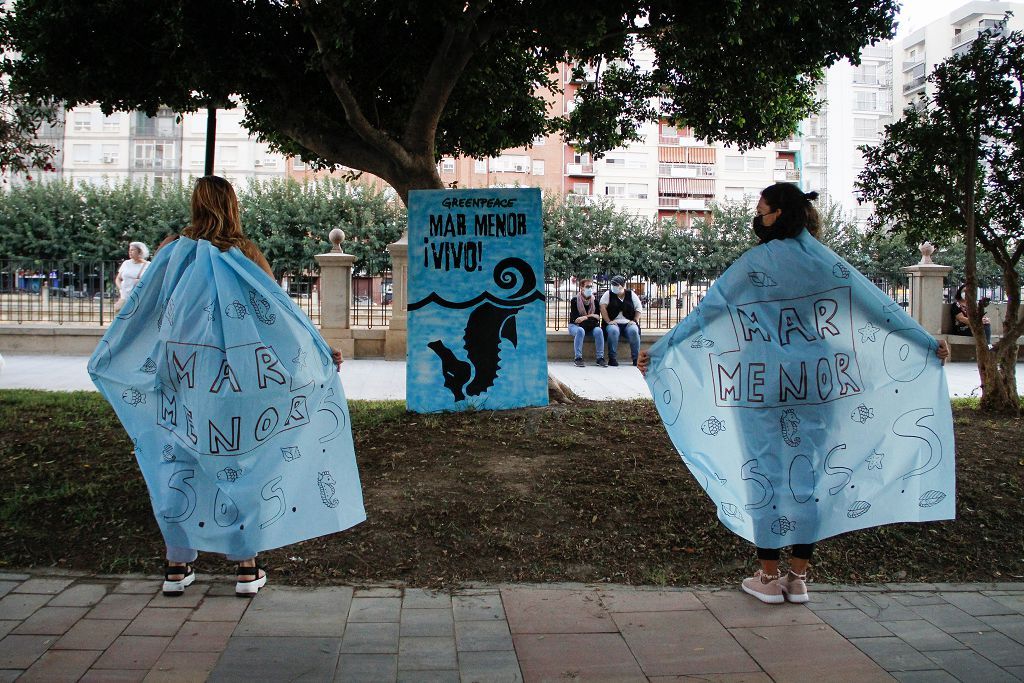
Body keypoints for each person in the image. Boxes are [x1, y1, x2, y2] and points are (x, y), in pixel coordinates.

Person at [638, 183, 952, 605]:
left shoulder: (753, 264)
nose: (757, 217)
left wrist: (660, 351)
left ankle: (768, 577)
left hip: (760, 382)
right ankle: (799, 577)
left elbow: (707, 311)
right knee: (812, 473)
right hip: (818, 383)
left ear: (780, 213)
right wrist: (925, 341)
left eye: (761, 209)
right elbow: (879, 306)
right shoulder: (825, 262)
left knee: (763, 471)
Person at [101, 176, 352, 598]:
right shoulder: (244, 253)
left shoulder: (169, 254)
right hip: (237, 380)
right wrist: (320, 349)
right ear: (233, 205)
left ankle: (176, 565)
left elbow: (144, 312)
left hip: (182, 375)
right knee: (241, 459)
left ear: (195, 204)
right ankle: (246, 568)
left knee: (178, 460)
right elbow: (280, 313)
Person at [600, 275, 642, 367]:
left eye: (616, 285)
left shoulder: (630, 294)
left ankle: (636, 358)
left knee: (634, 331)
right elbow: (602, 307)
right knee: (613, 331)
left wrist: (634, 320)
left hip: (628, 323)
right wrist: (608, 321)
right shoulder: (608, 294)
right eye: (613, 285)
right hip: (613, 322)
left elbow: (638, 308)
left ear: (623, 286)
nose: (614, 287)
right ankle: (612, 358)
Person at [568, 278, 606, 367]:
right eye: (587, 286)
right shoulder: (575, 300)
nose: (589, 288)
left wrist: (585, 317)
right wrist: (591, 316)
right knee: (580, 330)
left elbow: (596, 318)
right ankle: (578, 358)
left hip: (590, 327)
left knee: (599, 331)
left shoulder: (595, 301)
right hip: (575, 326)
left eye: (591, 286)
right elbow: (576, 319)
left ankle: (600, 358)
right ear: (581, 287)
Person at [114, 242, 150, 310]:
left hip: (139, 297)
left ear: (140, 251)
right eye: (129, 250)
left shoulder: (148, 265)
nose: (130, 252)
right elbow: (118, 278)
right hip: (124, 297)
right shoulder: (126, 263)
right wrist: (121, 288)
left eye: (133, 250)